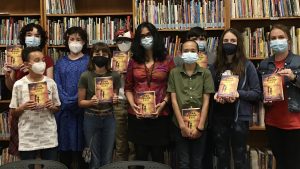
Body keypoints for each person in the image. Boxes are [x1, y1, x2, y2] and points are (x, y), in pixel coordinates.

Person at [210, 28, 261, 169]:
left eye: (233, 40)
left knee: (240, 158)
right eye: (225, 41)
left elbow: (257, 93)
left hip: (239, 118)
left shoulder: (248, 65)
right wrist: (215, 95)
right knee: (222, 156)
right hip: (219, 118)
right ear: (220, 44)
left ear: (238, 43)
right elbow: (209, 91)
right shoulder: (214, 67)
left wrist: (239, 94)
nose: (229, 43)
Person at [124, 22, 174, 163]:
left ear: (155, 36)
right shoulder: (133, 61)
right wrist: (133, 105)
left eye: (149, 35)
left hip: (160, 114)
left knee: (158, 156)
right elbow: (128, 87)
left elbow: (172, 87)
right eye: (142, 36)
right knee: (140, 156)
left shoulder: (168, 60)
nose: (146, 38)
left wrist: (163, 104)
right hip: (138, 115)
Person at [3, 23, 54, 157]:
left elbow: (49, 85)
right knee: (26, 151)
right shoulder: (16, 59)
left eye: (37, 36)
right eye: (29, 35)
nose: (33, 38)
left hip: (42, 112)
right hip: (22, 113)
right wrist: (9, 74)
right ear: (24, 37)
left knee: (45, 151)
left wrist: (33, 72)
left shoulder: (46, 60)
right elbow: (11, 87)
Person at [167, 40, 215, 169]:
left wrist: (200, 127)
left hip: (200, 125)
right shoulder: (174, 73)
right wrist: (182, 126)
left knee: (197, 161)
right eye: (186, 51)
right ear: (180, 53)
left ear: (198, 53)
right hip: (179, 125)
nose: (189, 53)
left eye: (193, 51)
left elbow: (206, 102)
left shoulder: (206, 73)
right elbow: (173, 100)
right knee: (184, 162)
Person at [258, 24, 300, 169]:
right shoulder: (264, 64)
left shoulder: (298, 62)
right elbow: (259, 92)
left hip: (295, 123)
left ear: (289, 41)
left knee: (294, 164)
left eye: (281, 37)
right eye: (273, 38)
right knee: (280, 163)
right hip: (273, 123)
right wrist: (265, 99)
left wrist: (294, 78)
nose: (277, 41)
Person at [9, 47, 60, 163]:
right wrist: (23, 107)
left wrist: (52, 106)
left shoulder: (51, 83)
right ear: (27, 64)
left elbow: (57, 107)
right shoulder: (19, 84)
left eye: (42, 60)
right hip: (27, 136)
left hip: (48, 135)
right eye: (37, 60)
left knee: (50, 165)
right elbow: (13, 112)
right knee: (28, 165)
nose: (42, 63)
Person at [78, 42, 121, 168]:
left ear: (109, 56)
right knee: (94, 158)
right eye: (97, 53)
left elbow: (115, 99)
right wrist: (90, 102)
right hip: (91, 118)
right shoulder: (85, 75)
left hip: (109, 118)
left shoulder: (115, 76)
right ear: (92, 56)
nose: (101, 56)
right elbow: (80, 102)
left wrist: (115, 99)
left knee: (107, 156)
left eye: (104, 53)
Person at [54, 26, 89, 169]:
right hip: (64, 112)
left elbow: (90, 84)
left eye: (78, 39)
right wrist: (66, 99)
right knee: (65, 151)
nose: (75, 42)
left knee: (82, 150)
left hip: (82, 111)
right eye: (72, 39)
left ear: (84, 42)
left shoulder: (89, 61)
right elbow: (57, 83)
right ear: (67, 41)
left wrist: (76, 100)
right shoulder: (60, 62)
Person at [113, 29, 135, 161]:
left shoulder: (137, 59)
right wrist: (116, 74)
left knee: (133, 142)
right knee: (120, 142)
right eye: (120, 41)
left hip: (135, 102)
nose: (123, 44)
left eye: (126, 41)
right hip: (118, 102)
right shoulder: (112, 60)